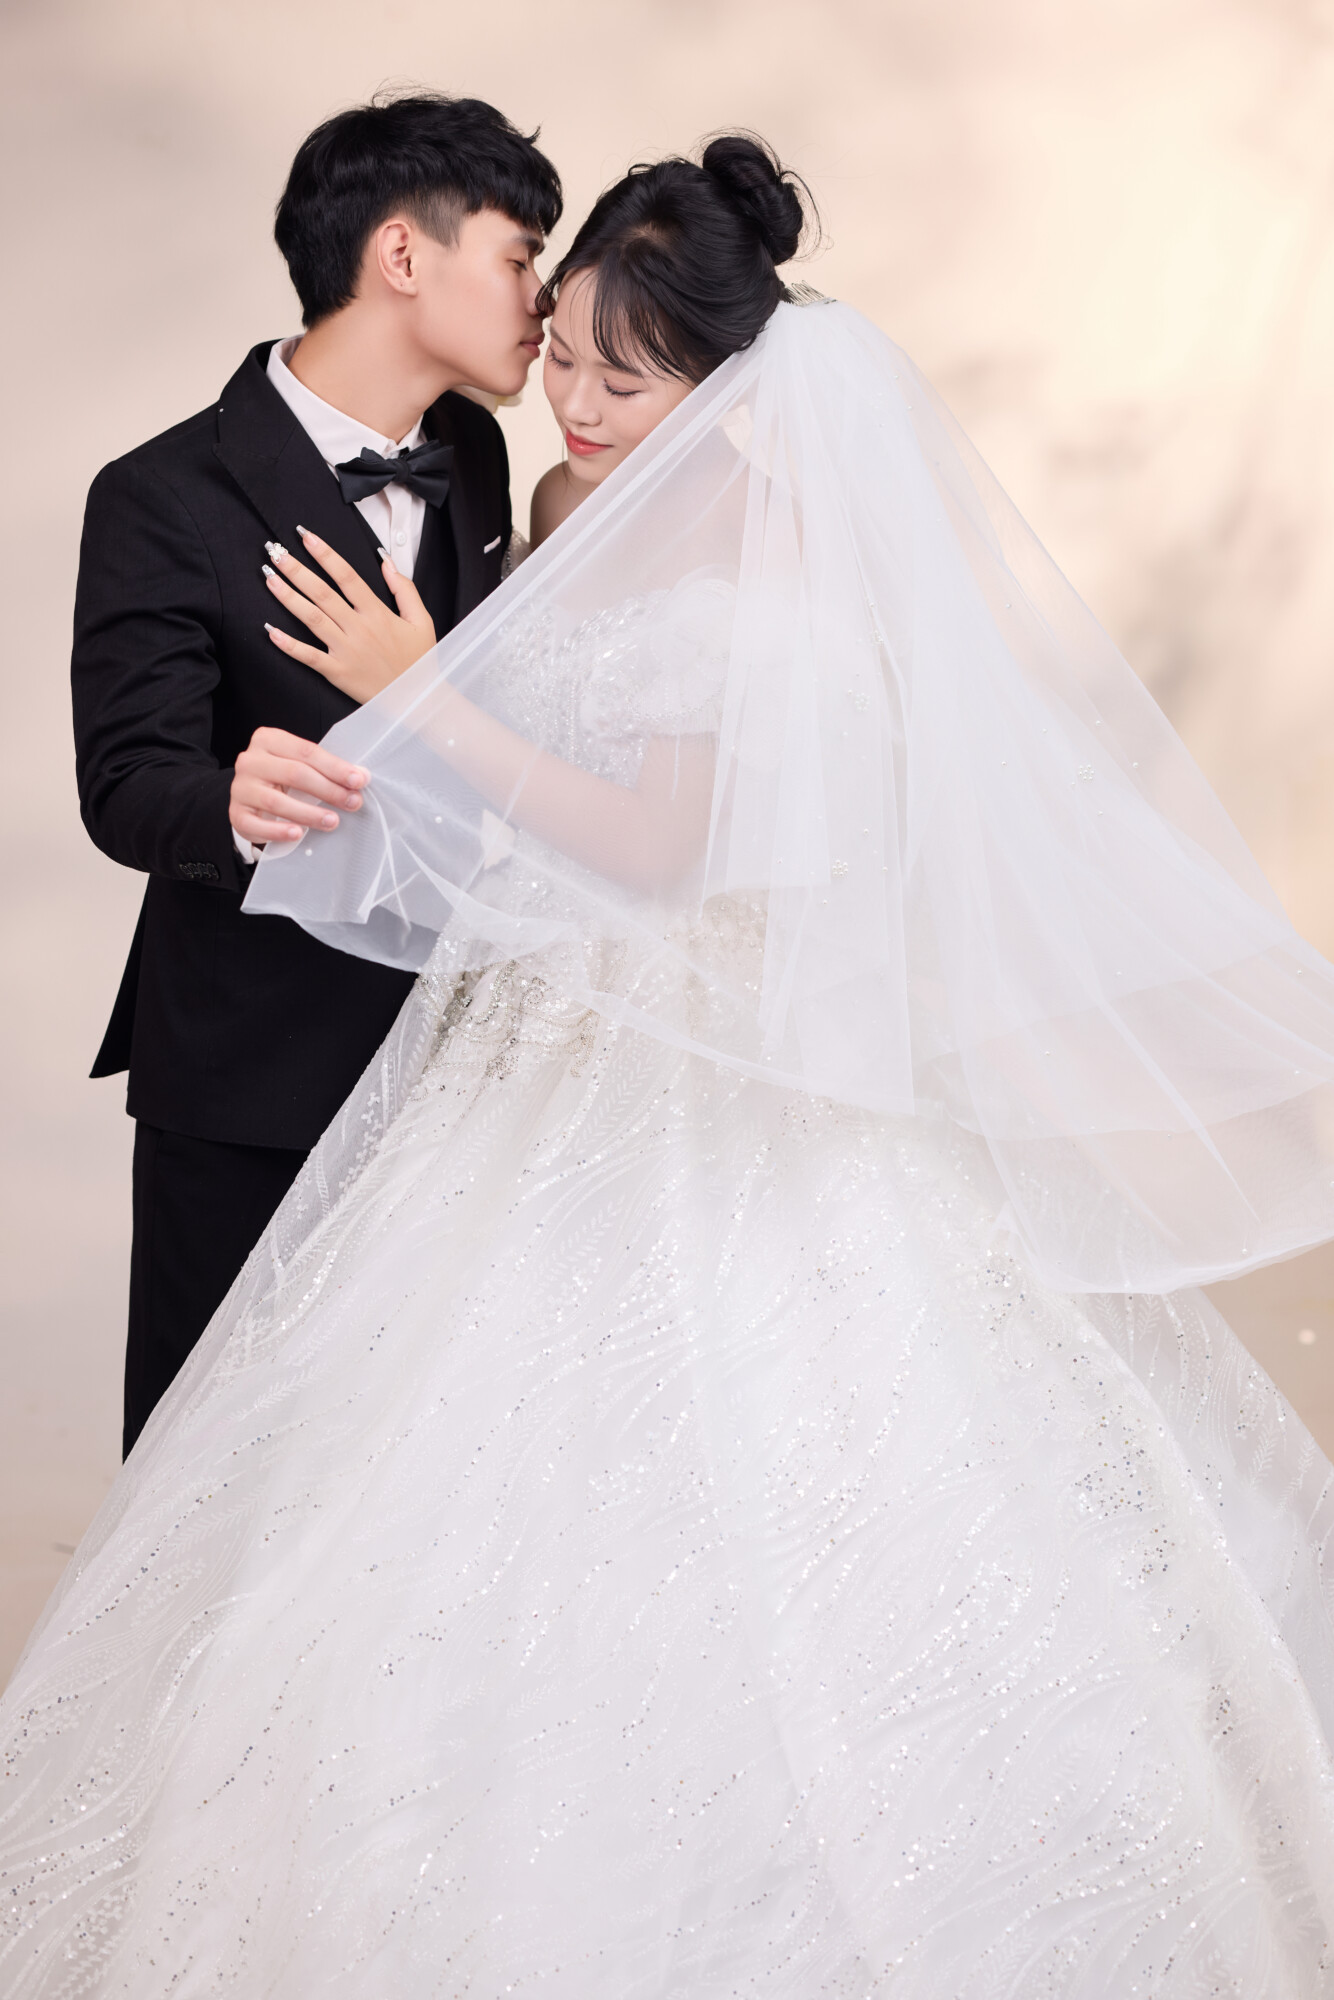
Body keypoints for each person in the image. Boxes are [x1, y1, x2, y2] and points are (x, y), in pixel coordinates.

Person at [8, 134, 1334, 1994]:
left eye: (615, 377)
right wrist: (278, 776)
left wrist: (420, 687)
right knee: (316, 1490)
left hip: (692, 1064)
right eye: (556, 345)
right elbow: (144, 773)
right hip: (463, 1054)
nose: (566, 395)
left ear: (728, 388)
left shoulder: (761, 551)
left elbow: (657, 842)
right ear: (424, 267)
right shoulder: (506, 489)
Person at [70, 91, 561, 1454]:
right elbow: (126, 780)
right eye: (520, 256)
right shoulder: (160, 493)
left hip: (459, 1051)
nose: (542, 300)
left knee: (413, 1451)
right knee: (207, 1451)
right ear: (403, 254)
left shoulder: (475, 454)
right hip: (250, 1059)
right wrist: (229, 802)